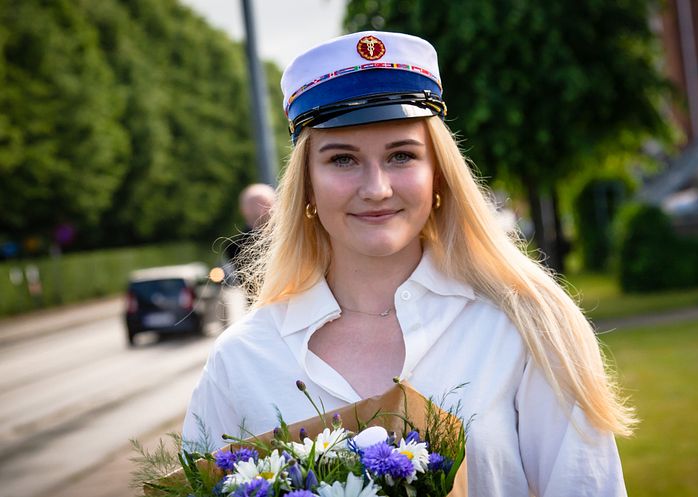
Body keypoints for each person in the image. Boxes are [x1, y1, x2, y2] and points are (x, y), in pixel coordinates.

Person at [183, 31, 633, 496]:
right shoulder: (241, 360)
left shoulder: (526, 325)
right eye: (342, 159)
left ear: (437, 172)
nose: (376, 188)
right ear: (307, 186)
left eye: (401, 155)